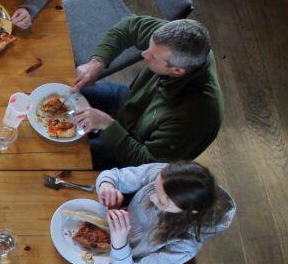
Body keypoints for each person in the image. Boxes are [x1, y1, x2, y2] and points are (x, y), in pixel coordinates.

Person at [72, 16, 222, 170]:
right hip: (129, 103)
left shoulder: (194, 118)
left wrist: (106, 124)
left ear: (177, 71)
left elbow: (144, 162)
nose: (144, 53)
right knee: (70, 92)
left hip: (135, 149)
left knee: (69, 155)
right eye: (149, 46)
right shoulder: (172, 40)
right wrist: (97, 62)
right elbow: (130, 26)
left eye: (152, 56)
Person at [96, 161, 235, 264]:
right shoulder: (166, 176)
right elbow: (115, 176)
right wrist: (107, 184)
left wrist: (120, 244)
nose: (152, 198)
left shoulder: (185, 244)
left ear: (190, 210)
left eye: (162, 201)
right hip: (110, 232)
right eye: (154, 189)